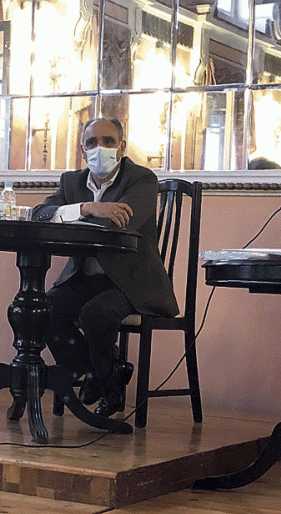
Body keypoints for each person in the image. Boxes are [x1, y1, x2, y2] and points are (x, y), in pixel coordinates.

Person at [32, 118, 179, 417]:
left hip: (132, 282)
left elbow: (120, 224)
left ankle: (101, 377)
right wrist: (87, 207)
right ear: (82, 150)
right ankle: (105, 373)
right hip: (84, 278)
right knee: (42, 309)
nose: (100, 148)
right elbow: (40, 214)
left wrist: (75, 216)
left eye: (108, 141)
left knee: (96, 314)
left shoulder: (141, 179)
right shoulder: (71, 182)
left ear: (122, 147)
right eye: (92, 142)